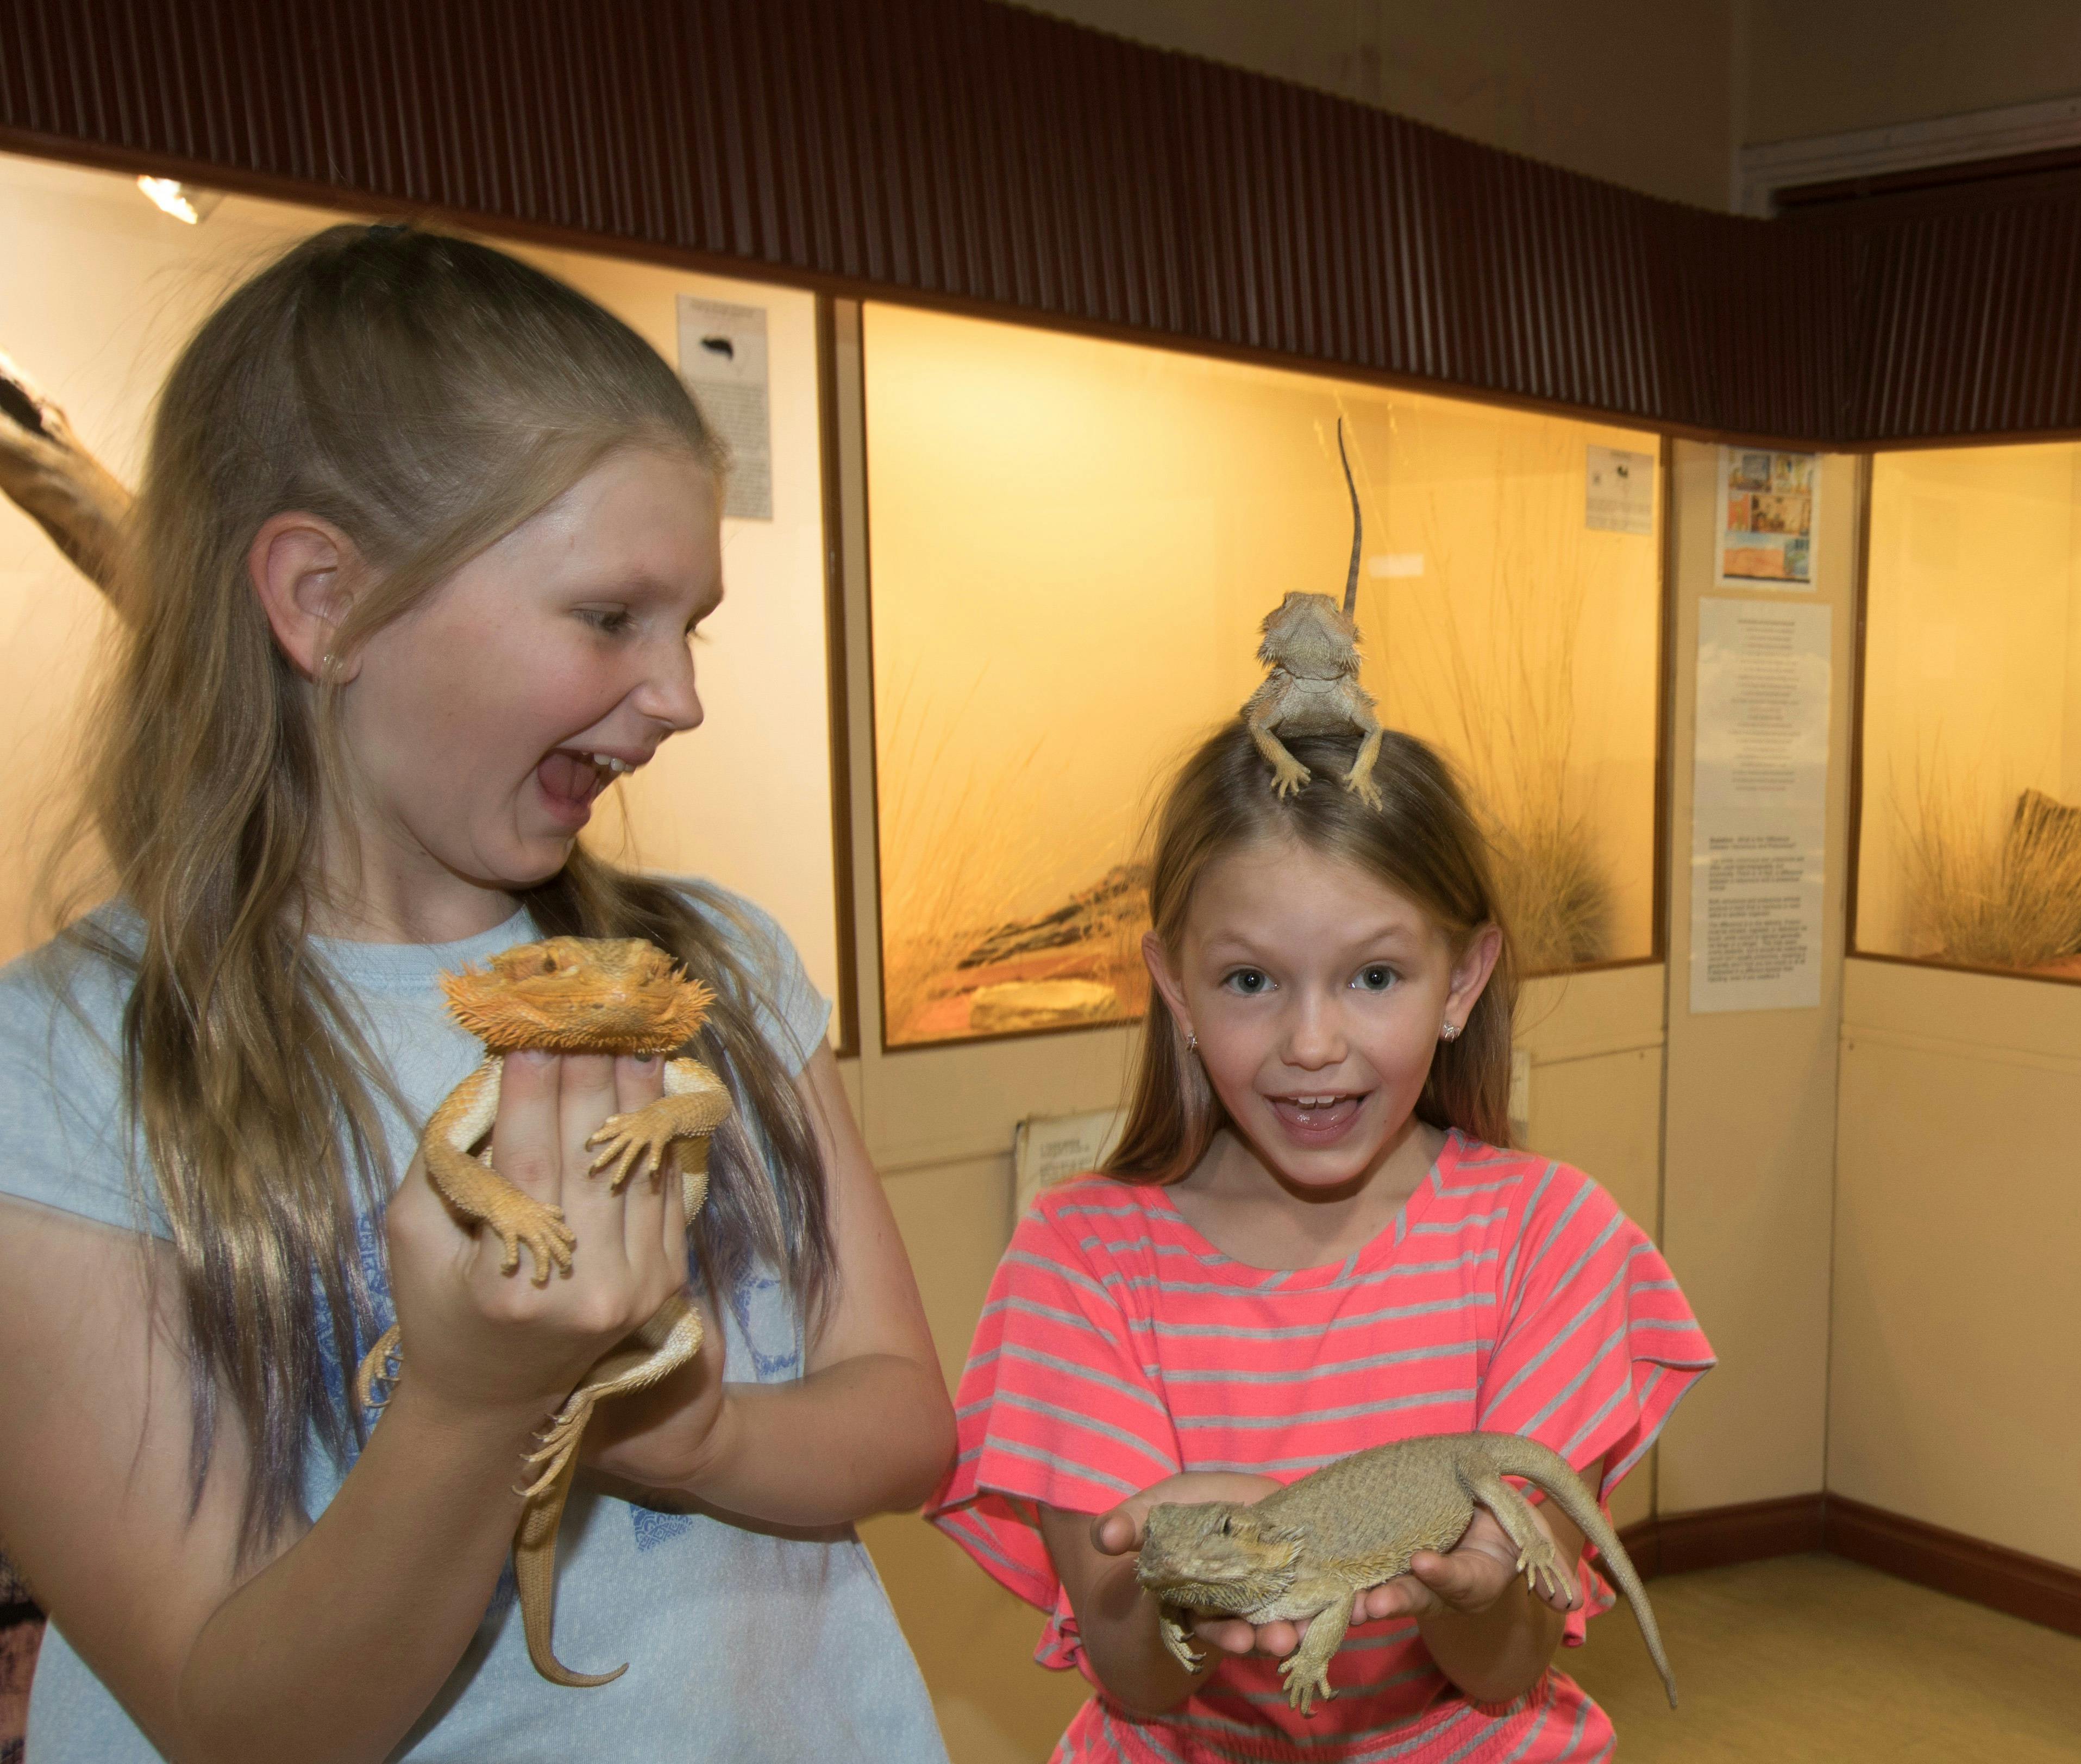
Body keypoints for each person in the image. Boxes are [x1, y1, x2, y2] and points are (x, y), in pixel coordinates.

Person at [0, 226, 954, 1762]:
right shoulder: (55, 1070)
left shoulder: (723, 969)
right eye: (609, 616)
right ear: (324, 600)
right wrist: (472, 1400)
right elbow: (237, 1716)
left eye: (692, 623)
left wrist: (684, 1427)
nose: (683, 695)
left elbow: (902, 1415)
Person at [932, 723, 1711, 1762]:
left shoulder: (1551, 1237)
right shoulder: (1076, 1260)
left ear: (1464, 980)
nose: (1312, 1044)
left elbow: (1503, 1666)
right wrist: (1185, 1578)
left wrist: (1472, 1592)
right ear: (1176, 988)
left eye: (1375, 976)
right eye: (1252, 981)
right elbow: (1135, 1674)